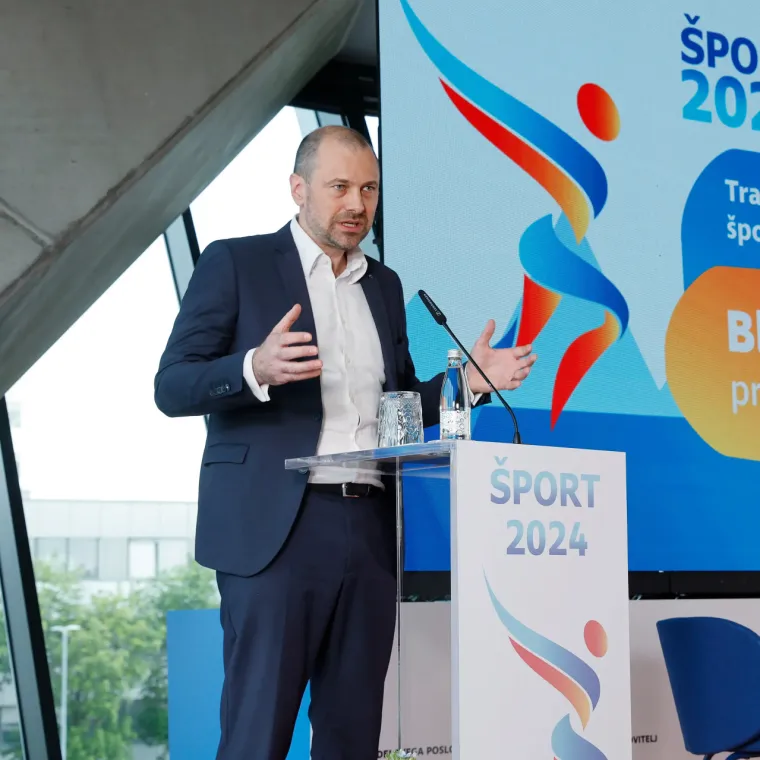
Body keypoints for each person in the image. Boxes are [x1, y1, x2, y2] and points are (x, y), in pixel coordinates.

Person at [154, 125, 537, 760]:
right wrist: (254, 368)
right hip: (276, 529)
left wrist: (469, 382)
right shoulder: (237, 263)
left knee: (353, 733)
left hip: (370, 524)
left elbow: (397, 408)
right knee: (257, 733)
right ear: (298, 189)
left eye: (369, 189)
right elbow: (172, 385)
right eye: (339, 187)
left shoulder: (383, 285)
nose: (357, 204)